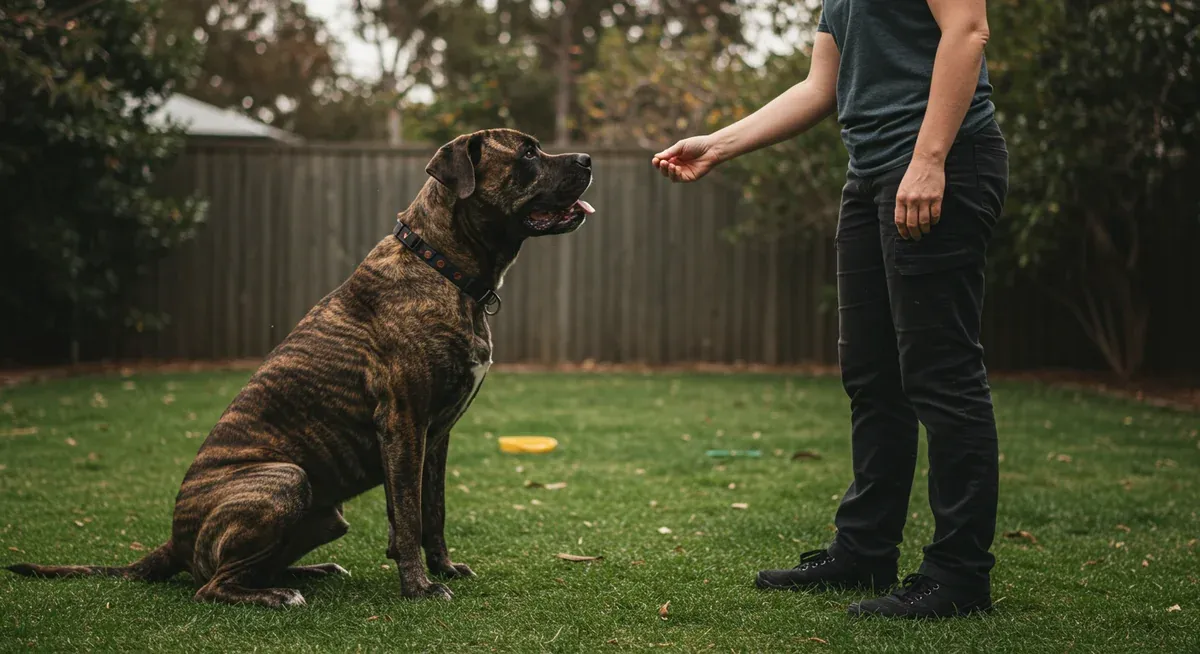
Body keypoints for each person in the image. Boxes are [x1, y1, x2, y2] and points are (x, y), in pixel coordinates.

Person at [653, 0, 1007, 619]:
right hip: (869, 173)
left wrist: (928, 161)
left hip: (937, 165)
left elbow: (968, 30)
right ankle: (865, 550)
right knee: (872, 375)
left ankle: (959, 573)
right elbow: (821, 86)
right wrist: (720, 144)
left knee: (942, 375)